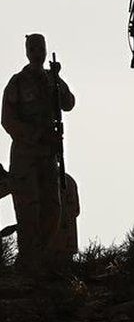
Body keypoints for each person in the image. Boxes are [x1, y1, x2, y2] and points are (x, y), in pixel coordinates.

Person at [1, 33, 75, 274]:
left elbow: (68, 103)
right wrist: (35, 135)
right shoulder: (18, 82)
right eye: (32, 47)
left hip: (47, 155)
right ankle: (28, 263)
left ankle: (41, 257)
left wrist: (57, 79)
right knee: (28, 208)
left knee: (53, 207)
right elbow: (7, 120)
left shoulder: (50, 80)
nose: (37, 51)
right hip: (25, 155)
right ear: (26, 51)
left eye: (40, 47)